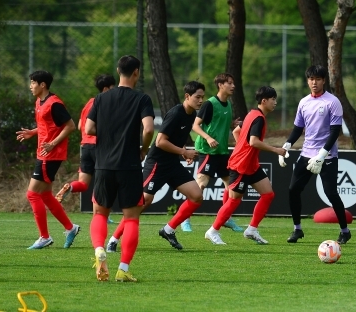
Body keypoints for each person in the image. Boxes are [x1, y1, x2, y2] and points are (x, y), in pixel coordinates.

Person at [106, 81, 205, 252]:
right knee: (142, 203)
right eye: (198, 97)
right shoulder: (176, 113)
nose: (201, 100)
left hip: (172, 164)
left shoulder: (190, 115)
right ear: (187, 96)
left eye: (203, 97)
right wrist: (184, 151)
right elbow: (159, 142)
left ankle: (168, 230)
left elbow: (172, 141)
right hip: (157, 164)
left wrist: (183, 153)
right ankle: (114, 240)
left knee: (196, 196)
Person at [85, 55, 155, 282]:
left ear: (118, 70)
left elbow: (89, 128)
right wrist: (142, 148)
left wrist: (108, 134)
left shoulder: (101, 99)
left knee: (99, 213)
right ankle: (123, 269)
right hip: (130, 165)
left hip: (104, 165)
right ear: (137, 73)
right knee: (132, 218)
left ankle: (99, 250)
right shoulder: (142, 99)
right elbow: (148, 129)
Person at [204, 86, 286, 245]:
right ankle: (212, 231)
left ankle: (252, 230)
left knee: (268, 194)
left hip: (251, 165)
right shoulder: (259, 118)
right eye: (273, 99)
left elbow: (236, 132)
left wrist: (243, 147)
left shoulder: (253, 114)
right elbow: (253, 141)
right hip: (241, 165)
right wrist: (276, 150)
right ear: (264, 101)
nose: (275, 102)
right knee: (234, 200)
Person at [281, 65, 350, 244]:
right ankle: (297, 229)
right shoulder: (304, 102)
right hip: (306, 153)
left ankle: (345, 231)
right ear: (307, 81)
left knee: (331, 193)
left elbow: (335, 132)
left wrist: (322, 154)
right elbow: (298, 128)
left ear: (324, 80)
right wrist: (286, 145)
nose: (314, 82)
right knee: (293, 190)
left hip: (326, 156)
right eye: (311, 79)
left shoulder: (332, 102)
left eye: (318, 79)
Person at [16, 70, 80, 249]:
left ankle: (44, 237)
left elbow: (70, 126)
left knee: (32, 194)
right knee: (44, 195)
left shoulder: (54, 104)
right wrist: (32, 132)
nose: (30, 86)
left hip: (50, 155)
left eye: (32, 83)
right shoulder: (39, 102)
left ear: (42, 84)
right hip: (44, 153)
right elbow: (46, 125)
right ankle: (70, 228)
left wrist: (52, 143)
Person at [189, 73, 243, 233]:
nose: (233, 86)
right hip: (208, 151)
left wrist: (233, 124)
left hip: (222, 152)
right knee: (200, 187)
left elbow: (220, 123)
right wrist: (208, 138)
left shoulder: (228, 104)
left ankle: (226, 218)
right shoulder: (209, 104)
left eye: (233, 83)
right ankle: (186, 219)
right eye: (230, 83)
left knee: (231, 187)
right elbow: (195, 126)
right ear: (220, 85)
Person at [55, 75, 115, 217]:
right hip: (100, 146)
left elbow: (81, 125)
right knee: (103, 182)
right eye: (113, 88)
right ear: (106, 89)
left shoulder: (89, 103)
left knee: (83, 184)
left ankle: (70, 186)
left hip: (86, 147)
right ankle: (100, 216)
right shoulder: (106, 103)